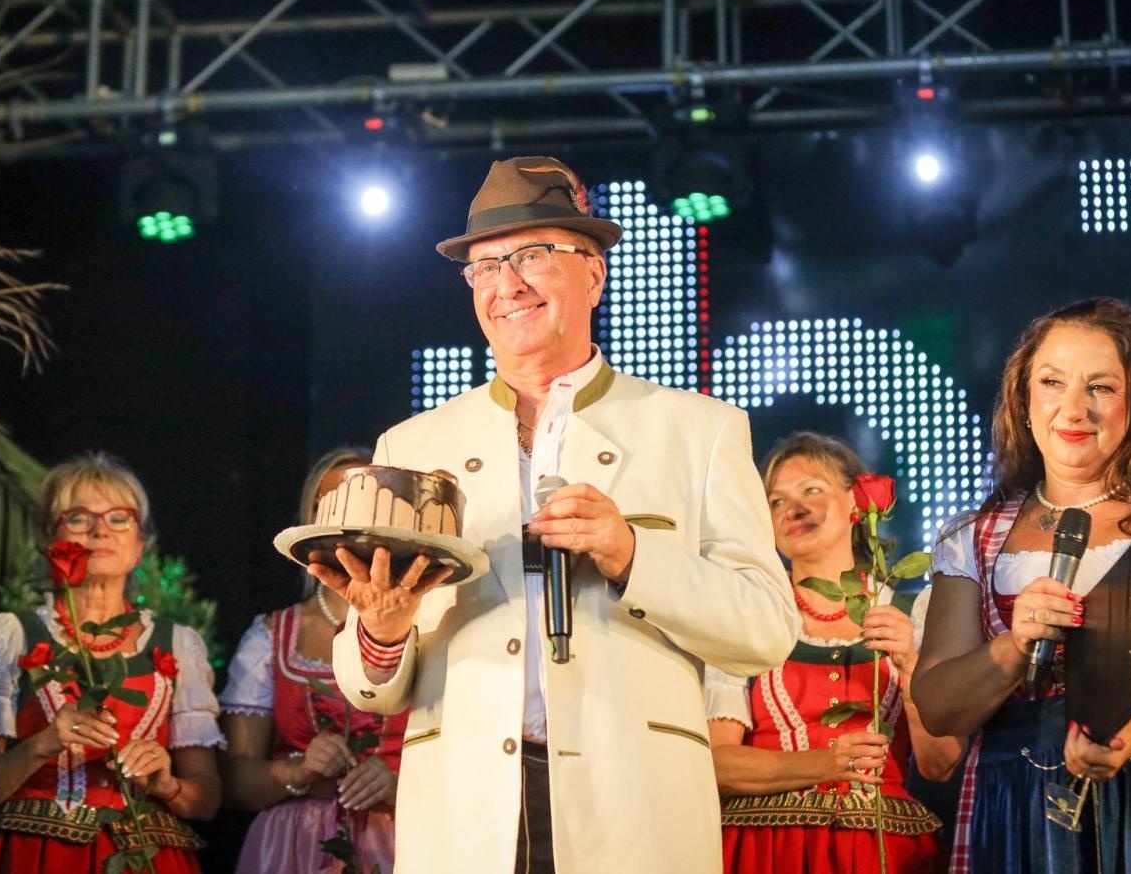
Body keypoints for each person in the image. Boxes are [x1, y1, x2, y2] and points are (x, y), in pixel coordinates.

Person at [315, 156, 801, 874]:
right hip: (467, 811)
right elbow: (373, 687)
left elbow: (764, 630)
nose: (506, 285)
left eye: (533, 257)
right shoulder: (414, 445)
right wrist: (382, 631)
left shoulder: (698, 430)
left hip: (633, 808)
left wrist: (632, 552)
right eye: (483, 267)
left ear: (594, 275)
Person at [915, 298, 1131, 874]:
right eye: (1051, 382)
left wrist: (1129, 738)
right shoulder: (971, 538)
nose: (1074, 408)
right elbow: (938, 706)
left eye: (1100, 387)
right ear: (1024, 401)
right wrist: (1014, 642)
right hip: (1011, 799)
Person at [0, 453, 222, 872]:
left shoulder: (178, 644)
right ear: (49, 540)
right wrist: (43, 743)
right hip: (34, 858)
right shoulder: (10, 635)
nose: (100, 530)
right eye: (78, 518)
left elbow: (206, 801)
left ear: (140, 546)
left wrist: (167, 784)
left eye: (119, 518)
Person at [707, 432, 961, 874]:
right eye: (776, 501)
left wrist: (909, 665)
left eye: (812, 490)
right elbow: (716, 765)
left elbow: (941, 765)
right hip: (765, 852)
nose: (795, 509)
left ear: (854, 504)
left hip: (883, 853)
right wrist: (823, 763)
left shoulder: (911, 615)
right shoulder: (746, 616)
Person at [220, 446, 405, 874]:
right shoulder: (272, 636)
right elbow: (234, 783)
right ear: (311, 522)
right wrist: (297, 769)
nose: (352, 520)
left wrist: (399, 786)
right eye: (334, 504)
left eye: (369, 502)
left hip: (403, 840)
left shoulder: (437, 629)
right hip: (294, 849)